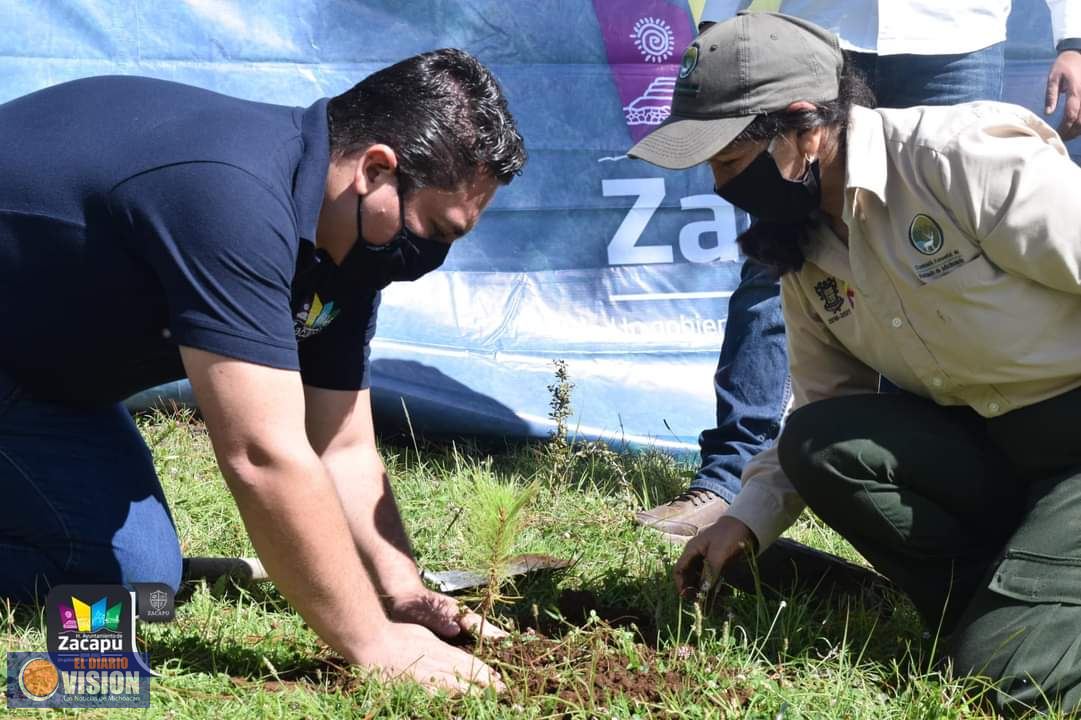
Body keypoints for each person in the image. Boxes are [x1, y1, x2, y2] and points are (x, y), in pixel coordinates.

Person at [0, 49, 525, 692]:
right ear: (378, 168)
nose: (433, 255)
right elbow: (262, 454)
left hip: (41, 380)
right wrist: (373, 642)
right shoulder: (232, 194)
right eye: (439, 229)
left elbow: (342, 444)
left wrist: (401, 592)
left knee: (138, 581)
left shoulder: (346, 250)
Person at [630, 12, 1081, 713]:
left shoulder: (959, 160)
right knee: (823, 443)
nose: (720, 186)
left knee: (1010, 681)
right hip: (994, 449)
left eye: (727, 160)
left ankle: (1021, 621)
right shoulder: (805, 246)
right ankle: (1009, 598)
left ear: (803, 127)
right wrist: (742, 520)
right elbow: (823, 408)